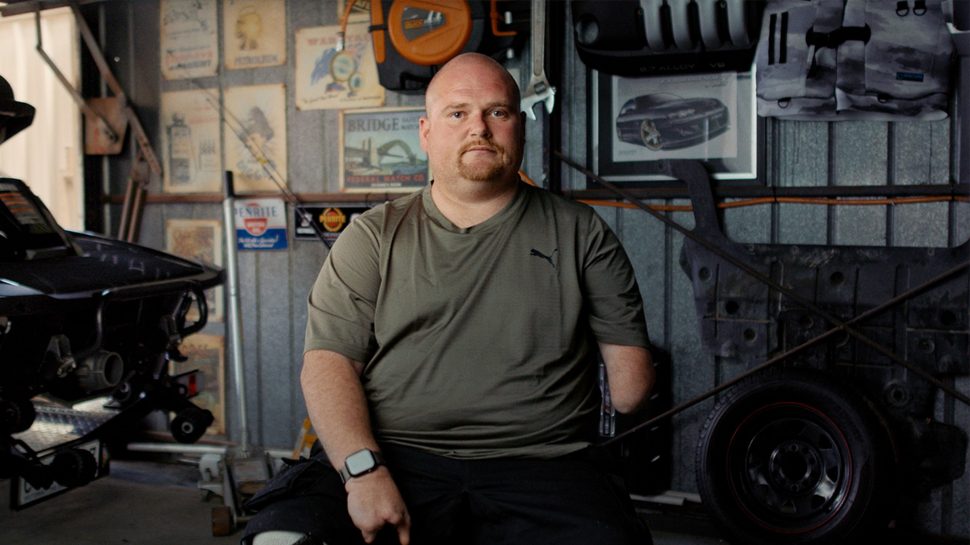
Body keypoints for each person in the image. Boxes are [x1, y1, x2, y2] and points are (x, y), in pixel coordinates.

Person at [242, 52, 655, 545]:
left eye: (496, 112)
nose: (478, 127)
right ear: (425, 131)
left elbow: (631, 390)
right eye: (457, 113)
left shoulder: (581, 233)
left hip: (544, 465)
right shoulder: (373, 236)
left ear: (519, 128)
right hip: (390, 456)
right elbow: (328, 364)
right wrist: (362, 472)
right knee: (281, 539)